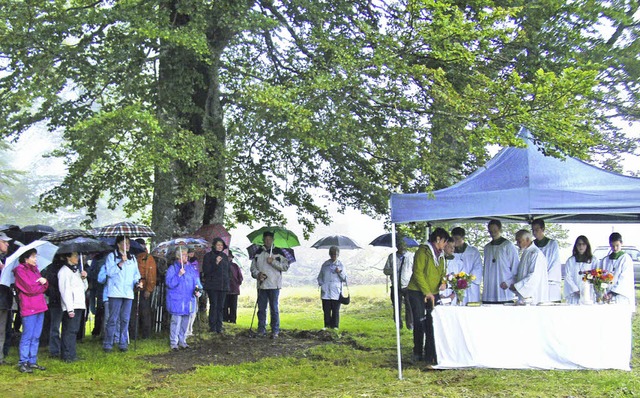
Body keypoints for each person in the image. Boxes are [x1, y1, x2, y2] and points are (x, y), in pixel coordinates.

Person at [406, 227, 449, 365]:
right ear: (437, 239)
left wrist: (443, 282)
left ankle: (430, 352)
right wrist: (426, 292)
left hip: (433, 293)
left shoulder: (441, 255)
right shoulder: (423, 251)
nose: (445, 244)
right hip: (417, 291)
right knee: (419, 321)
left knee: (433, 321)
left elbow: (443, 272)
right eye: (444, 241)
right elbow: (418, 273)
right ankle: (417, 352)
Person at [103, 236, 142, 353]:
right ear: (119, 244)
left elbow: (136, 274)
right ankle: (108, 344)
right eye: (125, 243)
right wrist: (120, 263)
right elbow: (109, 272)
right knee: (113, 319)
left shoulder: (133, 259)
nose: (127, 246)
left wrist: (138, 282)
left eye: (128, 243)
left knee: (125, 319)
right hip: (115, 292)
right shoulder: (111, 256)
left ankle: (123, 343)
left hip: (128, 292)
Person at [13, 248, 49, 373]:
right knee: (27, 335)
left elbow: (42, 286)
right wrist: (42, 284)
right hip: (29, 307)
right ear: (26, 258)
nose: (35, 259)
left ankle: (32, 360)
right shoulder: (20, 270)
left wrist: (43, 283)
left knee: (36, 336)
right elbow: (29, 288)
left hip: (40, 306)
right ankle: (23, 361)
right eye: (33, 256)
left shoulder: (36, 270)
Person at [250, 231, 290, 338]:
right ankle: (261, 330)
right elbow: (253, 268)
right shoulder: (258, 252)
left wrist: (273, 262)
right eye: (266, 239)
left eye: (269, 239)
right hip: (262, 285)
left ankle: (275, 331)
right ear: (263, 240)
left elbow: (285, 267)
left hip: (274, 285)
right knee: (261, 309)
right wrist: (258, 274)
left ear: (273, 240)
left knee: (274, 308)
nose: (267, 241)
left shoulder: (278, 252)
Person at [166, 249, 201, 350]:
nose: (186, 257)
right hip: (177, 300)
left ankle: (182, 340)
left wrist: (198, 290)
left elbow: (196, 282)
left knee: (185, 321)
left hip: (188, 299)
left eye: (186, 255)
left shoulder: (191, 268)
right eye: (184, 255)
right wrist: (179, 275)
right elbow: (169, 283)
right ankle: (174, 342)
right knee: (176, 321)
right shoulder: (172, 269)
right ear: (178, 257)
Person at [58, 252, 88, 362]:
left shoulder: (76, 271)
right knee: (69, 330)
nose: (77, 258)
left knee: (74, 330)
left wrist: (84, 278)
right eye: (75, 256)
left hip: (79, 304)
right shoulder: (64, 271)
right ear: (68, 257)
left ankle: (72, 353)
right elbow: (65, 291)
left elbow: (83, 288)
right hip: (71, 305)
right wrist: (69, 308)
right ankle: (66, 355)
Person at [482, 220, 519, 304]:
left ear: (500, 229)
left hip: (504, 285)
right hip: (490, 288)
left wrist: (509, 282)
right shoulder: (487, 247)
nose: (493, 232)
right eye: (490, 230)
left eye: (495, 230)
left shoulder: (508, 245)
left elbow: (515, 267)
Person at [509, 230, 549, 304]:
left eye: (519, 241)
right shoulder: (526, 253)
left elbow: (534, 276)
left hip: (534, 295)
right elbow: (521, 274)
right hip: (524, 296)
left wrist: (518, 287)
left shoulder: (536, 254)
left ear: (527, 240)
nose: (517, 244)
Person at [382, 238, 414, 330]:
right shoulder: (392, 257)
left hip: (408, 285)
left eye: (403, 245)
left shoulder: (411, 256)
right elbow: (385, 270)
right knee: (396, 306)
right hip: (395, 285)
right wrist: (393, 270)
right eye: (399, 245)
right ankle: (398, 324)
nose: (401, 247)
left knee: (409, 306)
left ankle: (410, 324)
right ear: (396, 247)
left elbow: (415, 269)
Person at [129, 238, 157, 340]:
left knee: (145, 312)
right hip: (132, 288)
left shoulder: (148, 258)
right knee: (133, 312)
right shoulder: (131, 257)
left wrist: (149, 289)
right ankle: (133, 334)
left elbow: (152, 275)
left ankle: (146, 334)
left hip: (144, 287)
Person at [203, 238, 231, 334]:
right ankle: (212, 326)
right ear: (214, 245)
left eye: (221, 245)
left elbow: (228, 271)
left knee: (221, 306)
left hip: (223, 286)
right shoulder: (208, 256)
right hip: (212, 285)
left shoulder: (225, 256)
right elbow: (206, 271)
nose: (220, 247)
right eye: (218, 245)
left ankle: (219, 326)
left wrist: (228, 283)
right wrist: (216, 263)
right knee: (214, 305)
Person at [601, 232, 635, 306]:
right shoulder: (605, 260)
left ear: (621, 243)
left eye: (617, 245)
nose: (615, 248)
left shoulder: (625, 258)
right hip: (606, 295)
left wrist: (613, 293)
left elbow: (624, 278)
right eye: (612, 246)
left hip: (620, 295)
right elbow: (601, 276)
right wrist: (603, 292)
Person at [317, 246, 347, 330]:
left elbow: (345, 278)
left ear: (338, 255)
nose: (334, 255)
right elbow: (320, 276)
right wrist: (321, 284)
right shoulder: (325, 264)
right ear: (329, 254)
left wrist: (339, 272)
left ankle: (335, 326)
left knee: (335, 310)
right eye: (332, 254)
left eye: (335, 254)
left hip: (336, 291)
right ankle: (327, 326)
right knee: (326, 310)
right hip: (326, 291)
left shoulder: (340, 265)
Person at [531, 219, 562, 302]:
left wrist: (544, 276)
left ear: (543, 229)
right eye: (533, 230)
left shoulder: (552, 244)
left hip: (549, 281)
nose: (534, 233)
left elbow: (553, 262)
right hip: (536, 281)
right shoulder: (532, 245)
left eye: (537, 230)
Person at [450, 227, 483, 304]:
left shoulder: (473, 251)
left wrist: (467, 279)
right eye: (453, 238)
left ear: (463, 238)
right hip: (455, 284)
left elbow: (478, 267)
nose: (455, 241)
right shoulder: (450, 251)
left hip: (470, 286)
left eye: (457, 238)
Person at [42, 255, 64, 358]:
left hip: (55, 299)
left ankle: (56, 349)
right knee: (55, 326)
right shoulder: (55, 268)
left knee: (54, 326)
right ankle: (55, 350)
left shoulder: (51, 267)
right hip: (56, 299)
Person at [563, 236, 596, 305]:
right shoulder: (571, 261)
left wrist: (586, 290)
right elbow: (568, 277)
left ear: (587, 246)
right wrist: (576, 290)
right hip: (574, 295)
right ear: (576, 246)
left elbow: (596, 275)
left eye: (583, 244)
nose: (581, 246)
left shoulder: (593, 260)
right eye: (579, 244)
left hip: (588, 294)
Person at [0, 232, 14, 365]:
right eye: (4, 241)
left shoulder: (5, 259)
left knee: (3, 329)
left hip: (5, 301)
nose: (7, 244)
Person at [185, 248, 202, 338]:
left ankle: (190, 329)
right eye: (189, 253)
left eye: (192, 252)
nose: (191, 254)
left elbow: (197, 276)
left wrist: (199, 288)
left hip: (194, 287)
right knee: (187, 312)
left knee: (194, 312)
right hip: (186, 290)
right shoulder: (183, 265)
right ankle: (185, 330)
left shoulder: (195, 263)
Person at [224, 252, 243, 324]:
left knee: (233, 307)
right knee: (224, 306)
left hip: (234, 289)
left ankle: (233, 320)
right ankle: (225, 319)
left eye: (230, 256)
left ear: (232, 257)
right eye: (227, 256)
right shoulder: (223, 265)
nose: (229, 258)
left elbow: (240, 277)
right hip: (225, 289)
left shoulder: (235, 266)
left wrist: (238, 282)